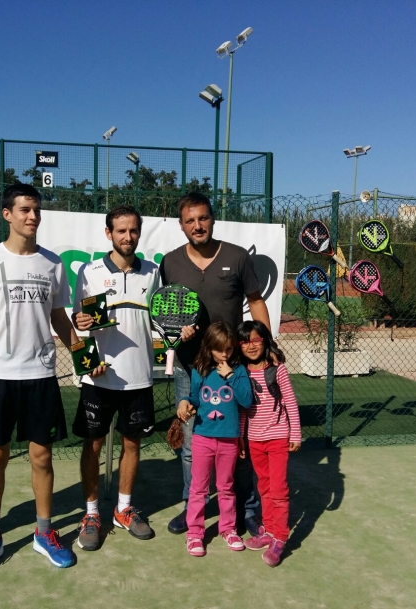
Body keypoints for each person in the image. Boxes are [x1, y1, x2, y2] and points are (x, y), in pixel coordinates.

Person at [0, 183, 93, 578]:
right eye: (24, 210)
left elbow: (58, 317)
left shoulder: (53, 264)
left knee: (42, 457)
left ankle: (43, 532)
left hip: (40, 375)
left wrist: (82, 353)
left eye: (36, 210)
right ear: (7, 214)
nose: (32, 216)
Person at [159, 192, 272, 536]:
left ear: (212, 219)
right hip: (190, 367)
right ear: (181, 225)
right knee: (193, 445)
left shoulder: (237, 258)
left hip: (232, 368)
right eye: (190, 220)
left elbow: (255, 302)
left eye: (203, 218)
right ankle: (193, 506)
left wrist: (265, 346)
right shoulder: (170, 262)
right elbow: (169, 313)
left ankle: (247, 510)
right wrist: (179, 332)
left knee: (237, 440)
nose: (197, 226)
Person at [71, 205, 161, 551]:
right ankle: (91, 513)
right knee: (92, 446)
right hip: (99, 379)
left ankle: (123, 509)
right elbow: (78, 326)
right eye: (121, 231)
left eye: (133, 231)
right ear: (109, 233)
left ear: (139, 233)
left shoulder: (152, 272)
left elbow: (158, 322)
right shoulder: (89, 271)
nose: (127, 237)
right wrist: (87, 357)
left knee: (132, 444)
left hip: (139, 377)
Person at [176, 322, 253, 556]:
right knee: (199, 489)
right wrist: (185, 403)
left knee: (226, 487)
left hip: (229, 440)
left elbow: (246, 401)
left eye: (229, 350)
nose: (224, 354)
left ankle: (228, 529)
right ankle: (195, 533)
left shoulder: (238, 371)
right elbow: (196, 399)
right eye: (220, 350)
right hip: (202, 438)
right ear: (209, 348)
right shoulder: (200, 370)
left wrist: (230, 375)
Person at [237, 320, 301, 567]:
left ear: (264, 340)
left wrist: (295, 434)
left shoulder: (278, 369)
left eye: (255, 340)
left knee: (279, 489)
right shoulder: (242, 372)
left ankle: (281, 538)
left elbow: (290, 403)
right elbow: (243, 410)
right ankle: (270, 530)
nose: (251, 346)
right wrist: (242, 439)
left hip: (278, 437)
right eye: (244, 342)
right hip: (254, 441)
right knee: (263, 486)